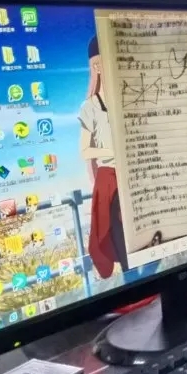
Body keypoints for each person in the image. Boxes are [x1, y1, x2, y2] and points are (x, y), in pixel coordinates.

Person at [80, 36, 129, 279]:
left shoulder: (125, 98)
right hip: (109, 181)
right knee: (119, 238)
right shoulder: (90, 106)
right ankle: (134, 284)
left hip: (130, 176)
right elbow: (85, 151)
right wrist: (111, 152)